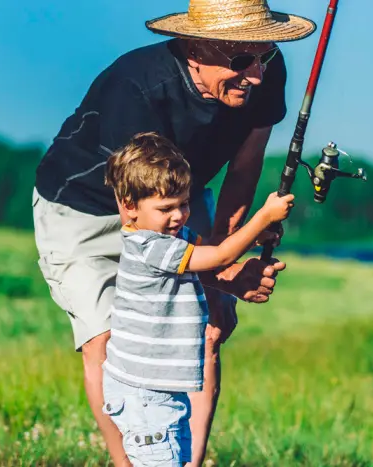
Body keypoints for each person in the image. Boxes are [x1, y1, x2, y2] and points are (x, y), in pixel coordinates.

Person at [31, 0, 316, 465]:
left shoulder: (266, 73)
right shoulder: (137, 88)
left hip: (176, 200)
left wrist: (224, 264)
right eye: (241, 61)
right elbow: (149, 238)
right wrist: (220, 272)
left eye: (264, 57)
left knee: (209, 327)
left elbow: (244, 169)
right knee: (107, 341)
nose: (258, 75)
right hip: (88, 209)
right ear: (194, 49)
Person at [99, 132, 294, 466]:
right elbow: (218, 256)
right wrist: (263, 217)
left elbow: (210, 256)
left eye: (184, 204)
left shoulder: (173, 236)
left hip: (158, 390)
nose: (178, 216)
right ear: (129, 206)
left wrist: (256, 238)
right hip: (146, 396)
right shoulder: (151, 247)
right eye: (166, 208)